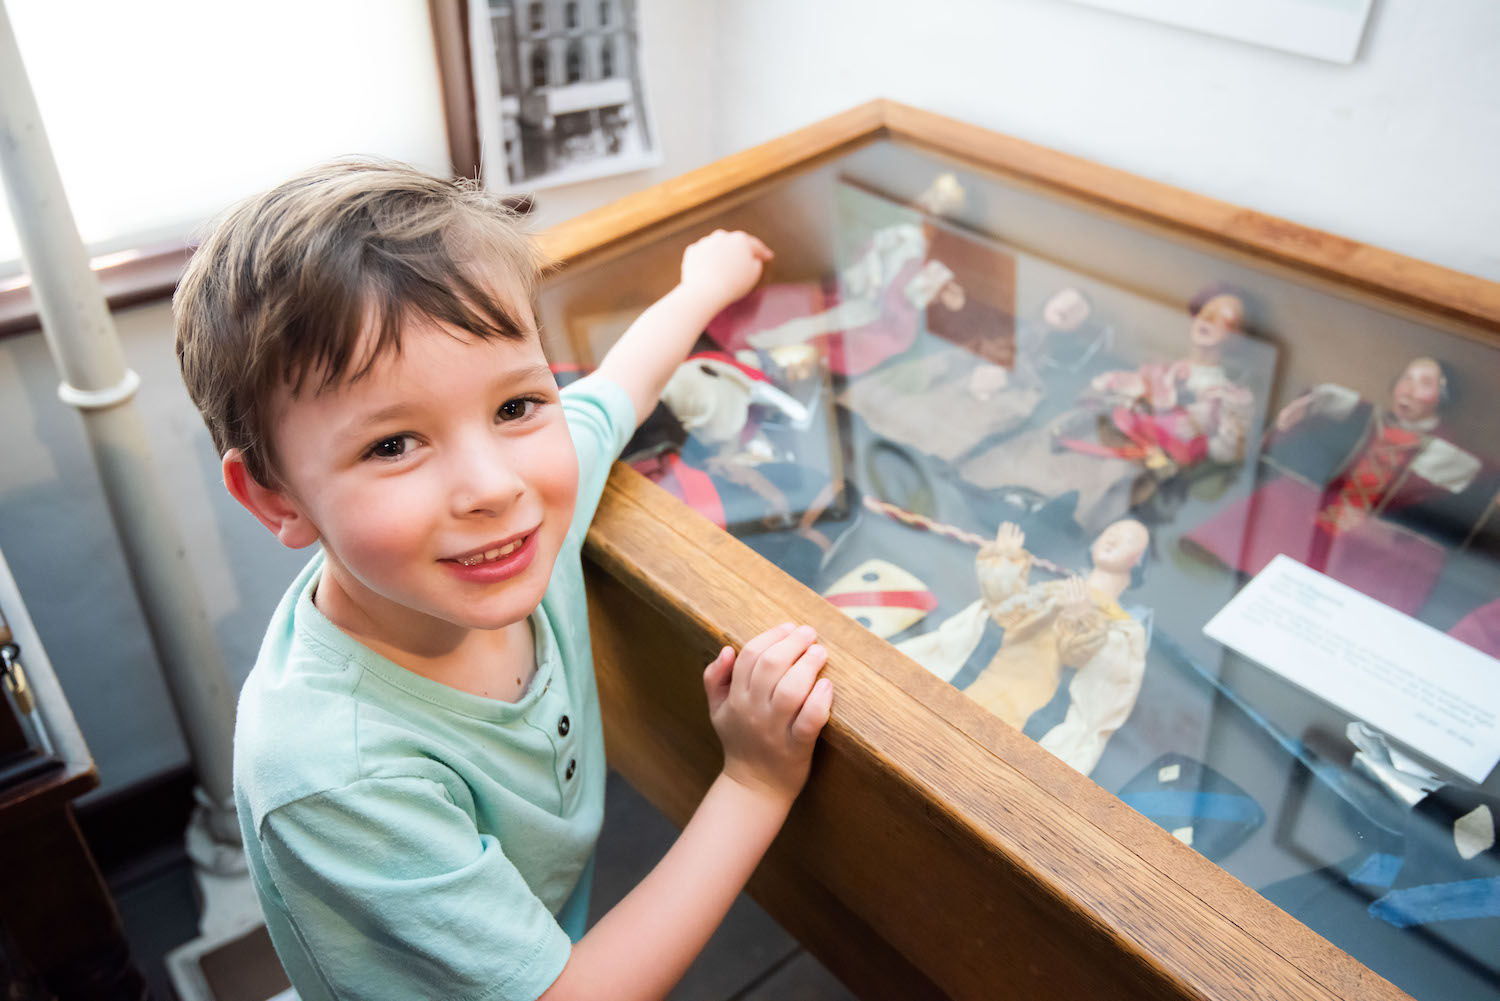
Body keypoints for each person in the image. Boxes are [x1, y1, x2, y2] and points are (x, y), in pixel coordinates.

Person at [172, 160, 834, 1001]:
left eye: (516, 406)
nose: (493, 486)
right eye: (392, 444)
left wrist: (701, 288)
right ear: (274, 498)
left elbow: (612, 394)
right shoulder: (335, 771)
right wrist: (752, 779)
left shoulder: (519, 526)